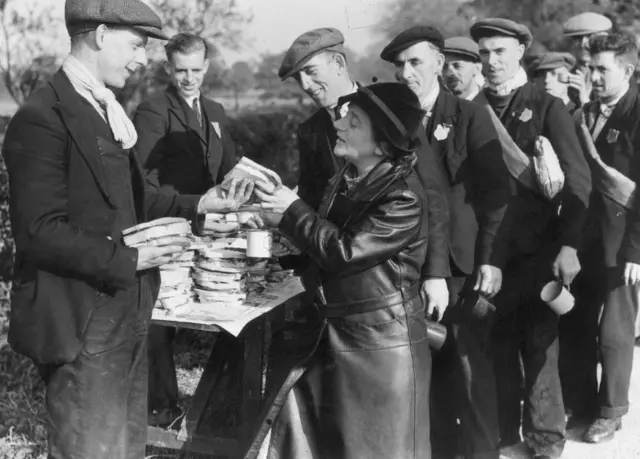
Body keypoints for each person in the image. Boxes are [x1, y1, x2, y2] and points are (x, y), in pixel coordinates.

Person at [1, 1, 252, 458]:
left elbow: (136, 202)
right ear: (99, 35)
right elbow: (38, 231)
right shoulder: (43, 116)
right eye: (136, 45)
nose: (142, 59)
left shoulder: (105, 109)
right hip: (82, 323)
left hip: (128, 311)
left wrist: (200, 204)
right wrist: (130, 259)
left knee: (124, 446)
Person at [245, 82, 432, 459]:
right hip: (338, 335)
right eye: (346, 116)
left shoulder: (403, 197)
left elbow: (345, 252)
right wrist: (278, 259)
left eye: (355, 121)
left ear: (381, 145)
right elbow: (323, 244)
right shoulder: (346, 178)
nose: (340, 125)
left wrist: (292, 209)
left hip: (380, 348)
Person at [381, 24, 512, 459]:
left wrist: (490, 260)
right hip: (408, 266)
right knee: (427, 370)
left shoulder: (470, 116)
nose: (406, 73)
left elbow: (495, 196)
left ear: (439, 62)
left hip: (463, 264)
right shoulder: (393, 121)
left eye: (415, 62)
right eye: (400, 65)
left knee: (471, 367)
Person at [470, 18, 592, 459]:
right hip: (493, 255)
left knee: (540, 348)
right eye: (483, 53)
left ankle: (545, 442)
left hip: (542, 250)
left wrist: (570, 244)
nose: (491, 62)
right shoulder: (473, 108)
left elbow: (579, 183)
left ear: (520, 52)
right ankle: (504, 435)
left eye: (500, 52)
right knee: (497, 344)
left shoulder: (546, 106)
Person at [278, 28, 451, 319]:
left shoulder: (393, 112)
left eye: (310, 71)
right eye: (298, 78)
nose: (305, 84)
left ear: (339, 64)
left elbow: (431, 195)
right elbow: (311, 198)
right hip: (339, 275)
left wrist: (435, 273)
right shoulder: (310, 130)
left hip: (390, 276)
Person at [133, 32, 238, 427]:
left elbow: (227, 168)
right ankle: (158, 411)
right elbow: (140, 186)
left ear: (206, 67)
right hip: (166, 227)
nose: (189, 78)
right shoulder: (153, 111)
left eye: (196, 70)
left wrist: (247, 187)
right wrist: (193, 203)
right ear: (168, 69)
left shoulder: (215, 110)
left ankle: (221, 408)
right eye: (181, 71)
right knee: (159, 322)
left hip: (210, 232)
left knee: (227, 310)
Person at [569, 32, 640, 444]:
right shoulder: (583, 112)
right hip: (583, 238)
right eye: (589, 68)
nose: (592, 76)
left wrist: (636, 250)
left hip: (622, 241)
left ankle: (611, 411)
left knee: (615, 330)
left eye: (601, 69)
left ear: (627, 71)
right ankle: (580, 402)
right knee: (576, 322)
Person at [563, 12, 613, 108]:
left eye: (590, 37)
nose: (583, 44)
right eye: (577, 38)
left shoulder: (615, 75)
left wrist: (585, 101)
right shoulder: (567, 74)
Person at [442, 36, 485, 101]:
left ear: (477, 69)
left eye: (457, 66)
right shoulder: (439, 106)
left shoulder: (489, 105)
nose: (449, 73)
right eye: (444, 67)